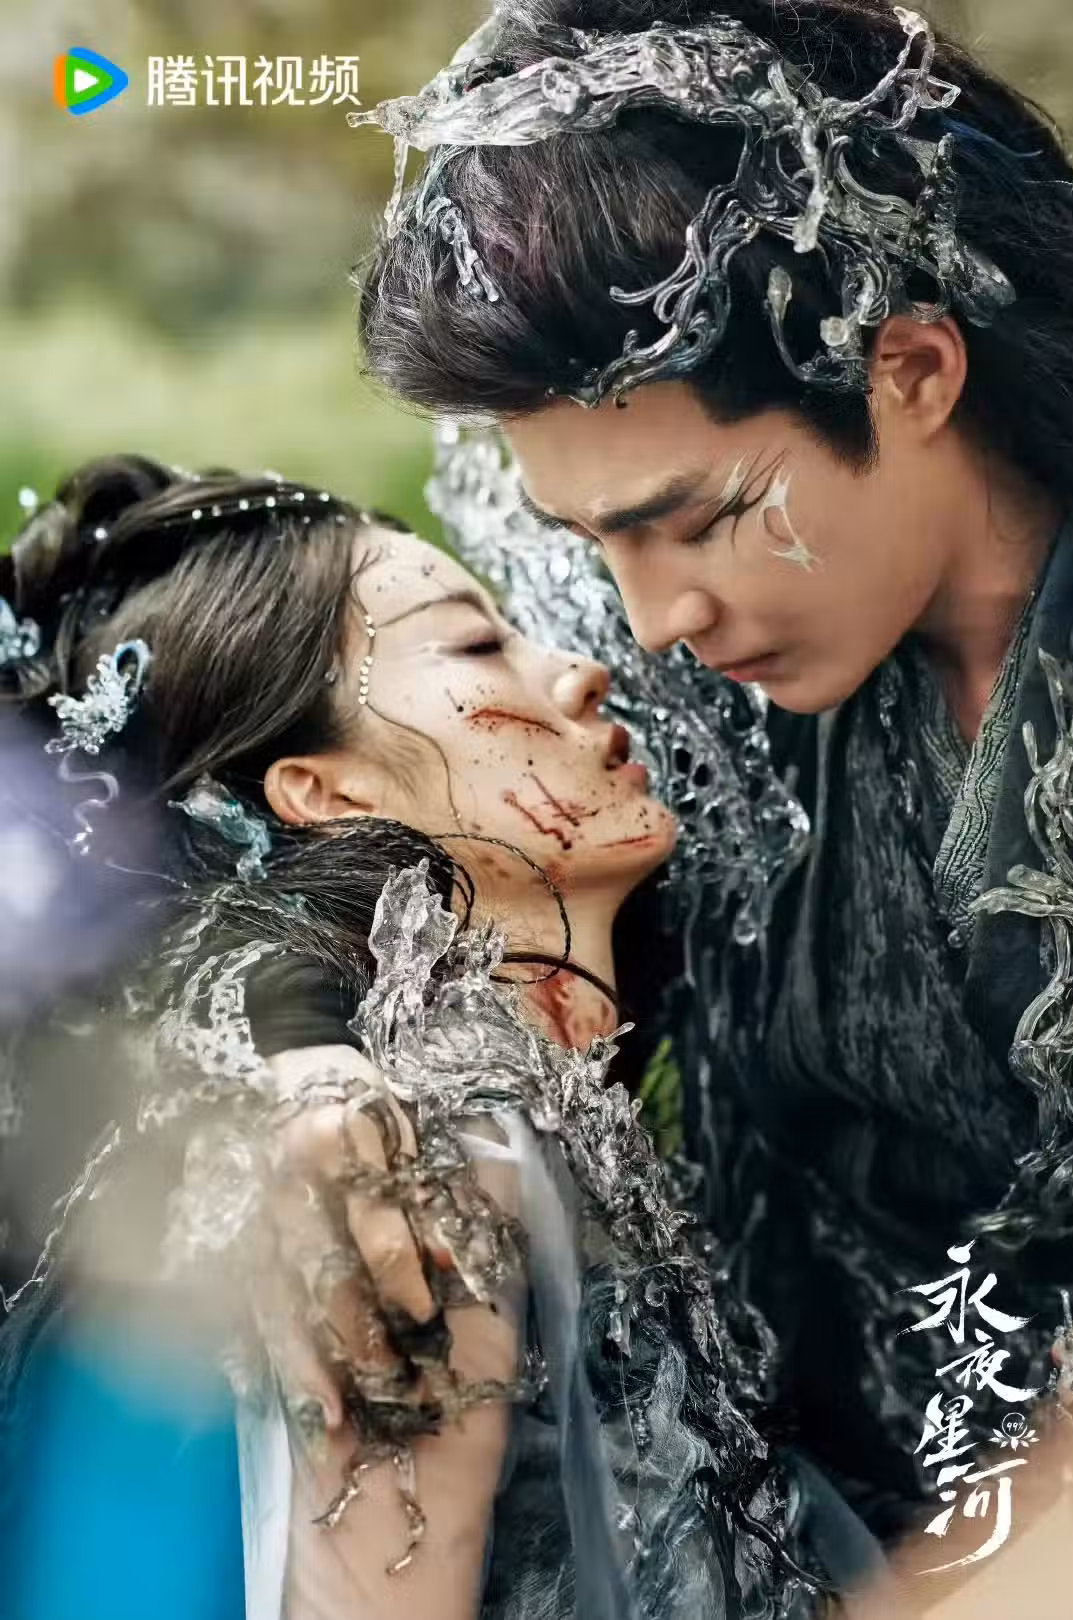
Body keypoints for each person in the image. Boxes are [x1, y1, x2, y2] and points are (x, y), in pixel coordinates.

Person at [355, 0, 1073, 1567]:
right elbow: (381, 840)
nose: (650, 621)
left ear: (911, 368)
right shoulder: (693, 683)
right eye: (591, 542)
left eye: (695, 521)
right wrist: (306, 1081)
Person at [0, 455, 870, 1619]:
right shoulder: (419, 1163)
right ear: (325, 792)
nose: (581, 670)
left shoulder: (526, 1100)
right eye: (476, 643)